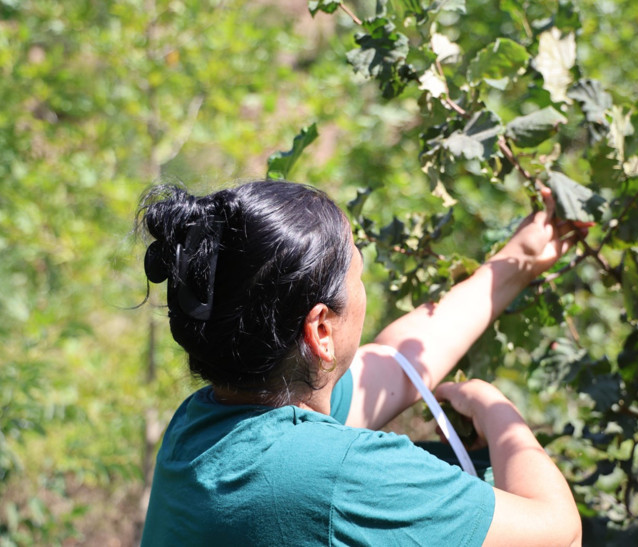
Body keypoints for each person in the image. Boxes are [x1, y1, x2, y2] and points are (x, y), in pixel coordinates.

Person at [138, 179, 584, 546]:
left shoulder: (200, 426)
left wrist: (517, 261)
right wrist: (495, 408)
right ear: (321, 331)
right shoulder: (340, 477)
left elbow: (396, 364)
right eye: (358, 273)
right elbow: (559, 534)